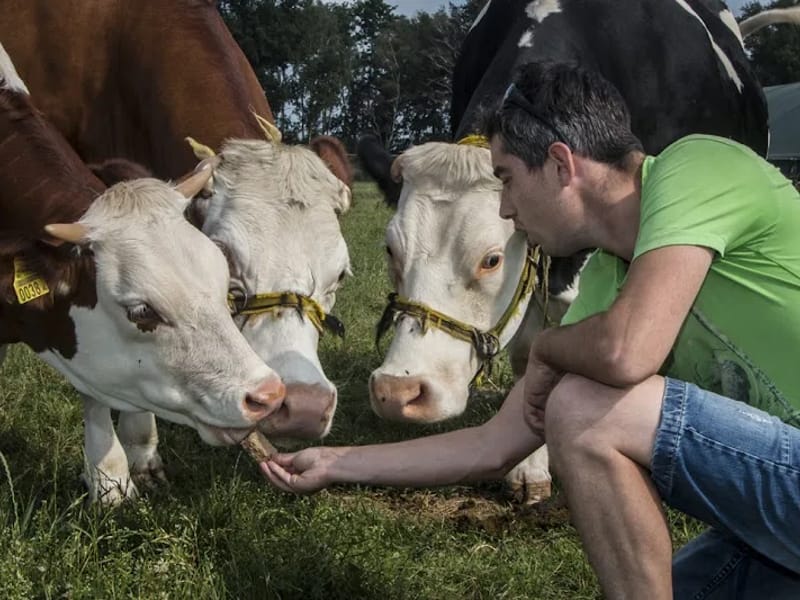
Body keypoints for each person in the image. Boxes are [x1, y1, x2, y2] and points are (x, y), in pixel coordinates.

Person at [261, 61, 800, 599]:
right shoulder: (609, 282)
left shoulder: (697, 166)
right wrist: (335, 463)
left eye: (507, 179)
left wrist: (545, 347)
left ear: (561, 164)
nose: (504, 205)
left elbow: (627, 351)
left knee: (583, 408)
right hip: (776, 511)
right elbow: (493, 446)